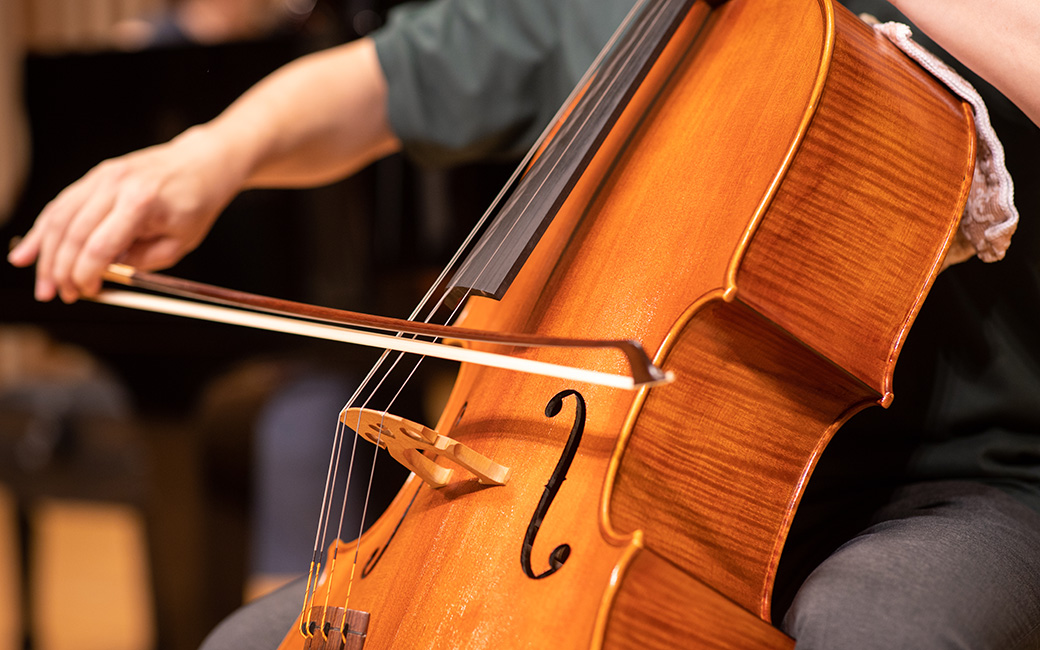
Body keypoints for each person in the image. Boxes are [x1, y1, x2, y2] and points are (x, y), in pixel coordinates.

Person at [8, 0, 1040, 648]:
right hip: (603, 477)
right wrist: (209, 155)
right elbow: (378, 82)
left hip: (956, 482)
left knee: (871, 627)